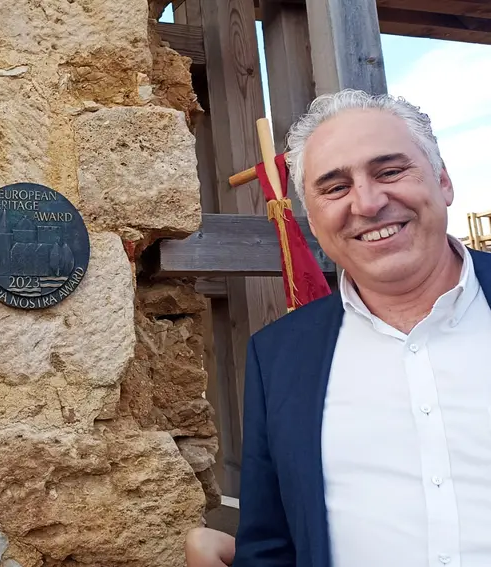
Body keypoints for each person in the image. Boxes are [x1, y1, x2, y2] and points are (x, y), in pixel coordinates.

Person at [188, 88, 491, 567]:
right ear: (311, 214)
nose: (367, 203)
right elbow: (272, 545)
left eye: (389, 171)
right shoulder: (279, 356)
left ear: (444, 181)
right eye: (334, 187)